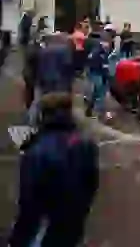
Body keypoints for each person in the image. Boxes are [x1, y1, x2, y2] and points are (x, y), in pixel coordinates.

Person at [9, 92, 99, 247]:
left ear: (43, 115)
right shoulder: (86, 144)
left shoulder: (37, 151)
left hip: (45, 226)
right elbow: (92, 183)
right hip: (73, 221)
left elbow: (29, 201)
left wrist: (18, 238)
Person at [85, 34, 111, 121]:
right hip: (97, 74)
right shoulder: (99, 52)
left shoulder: (100, 51)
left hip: (98, 74)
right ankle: (100, 114)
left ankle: (89, 110)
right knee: (101, 94)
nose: (108, 45)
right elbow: (101, 65)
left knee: (96, 93)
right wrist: (106, 74)